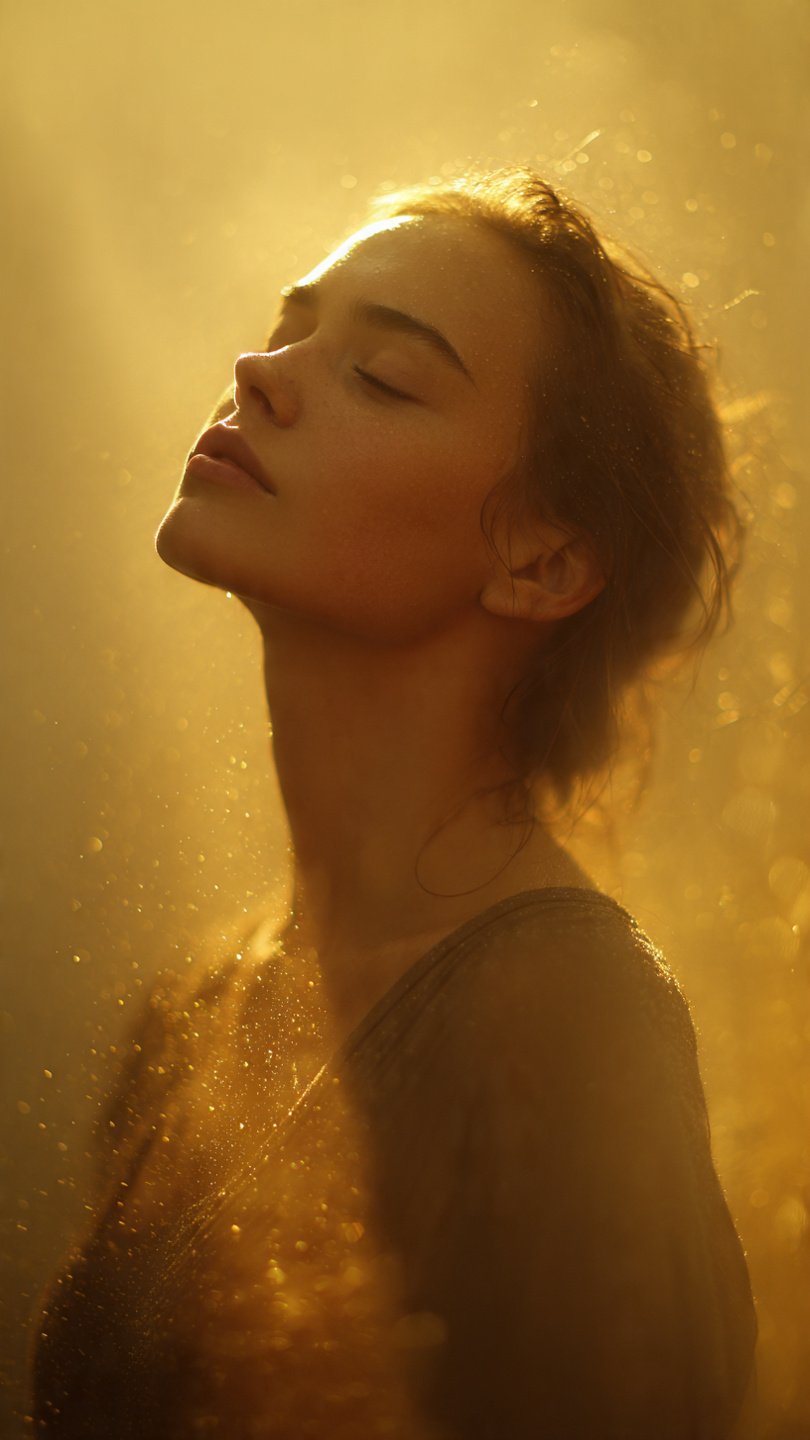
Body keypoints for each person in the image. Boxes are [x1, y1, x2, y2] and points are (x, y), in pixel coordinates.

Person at [31, 166, 759, 1437]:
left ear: (543, 559)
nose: (261, 372)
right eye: (291, 324)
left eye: (382, 376)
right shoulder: (205, 1003)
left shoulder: (567, 1028)